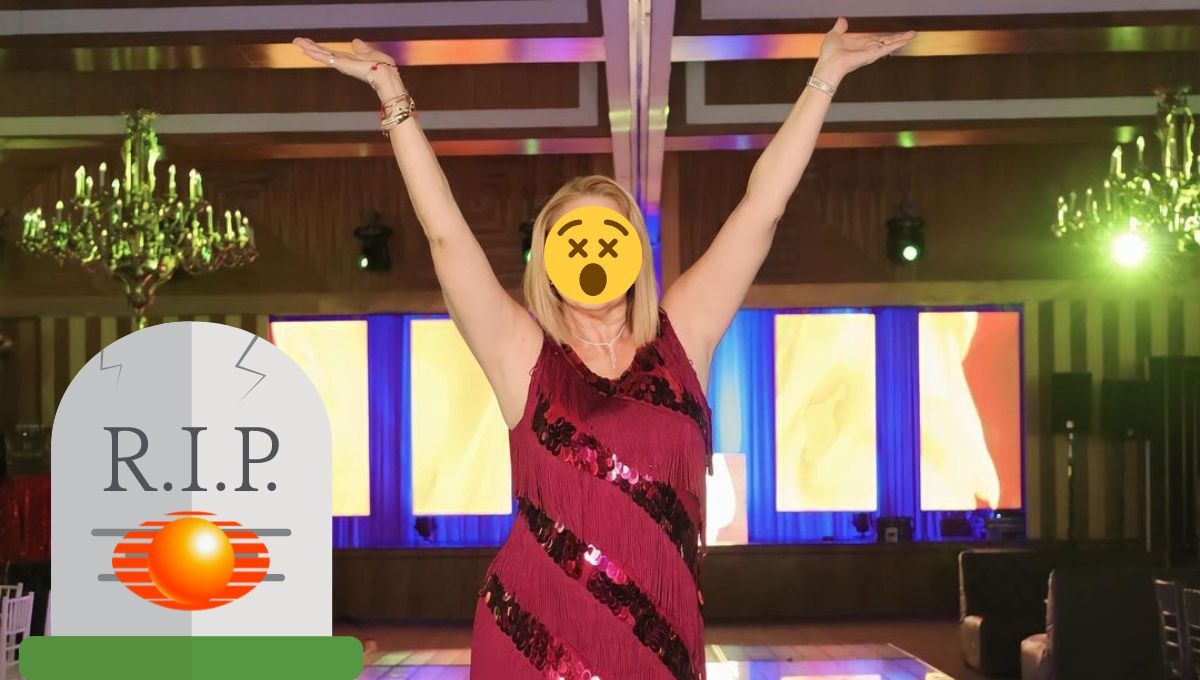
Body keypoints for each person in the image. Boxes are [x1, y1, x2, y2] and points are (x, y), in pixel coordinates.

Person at [295, 18, 913, 680]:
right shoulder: (522, 355)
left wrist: (824, 77)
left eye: (610, 237)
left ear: (634, 251)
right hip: (533, 634)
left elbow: (761, 210)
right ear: (548, 260)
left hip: (659, 642)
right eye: (574, 241)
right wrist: (392, 95)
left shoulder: (683, 337)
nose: (593, 255)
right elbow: (445, 236)